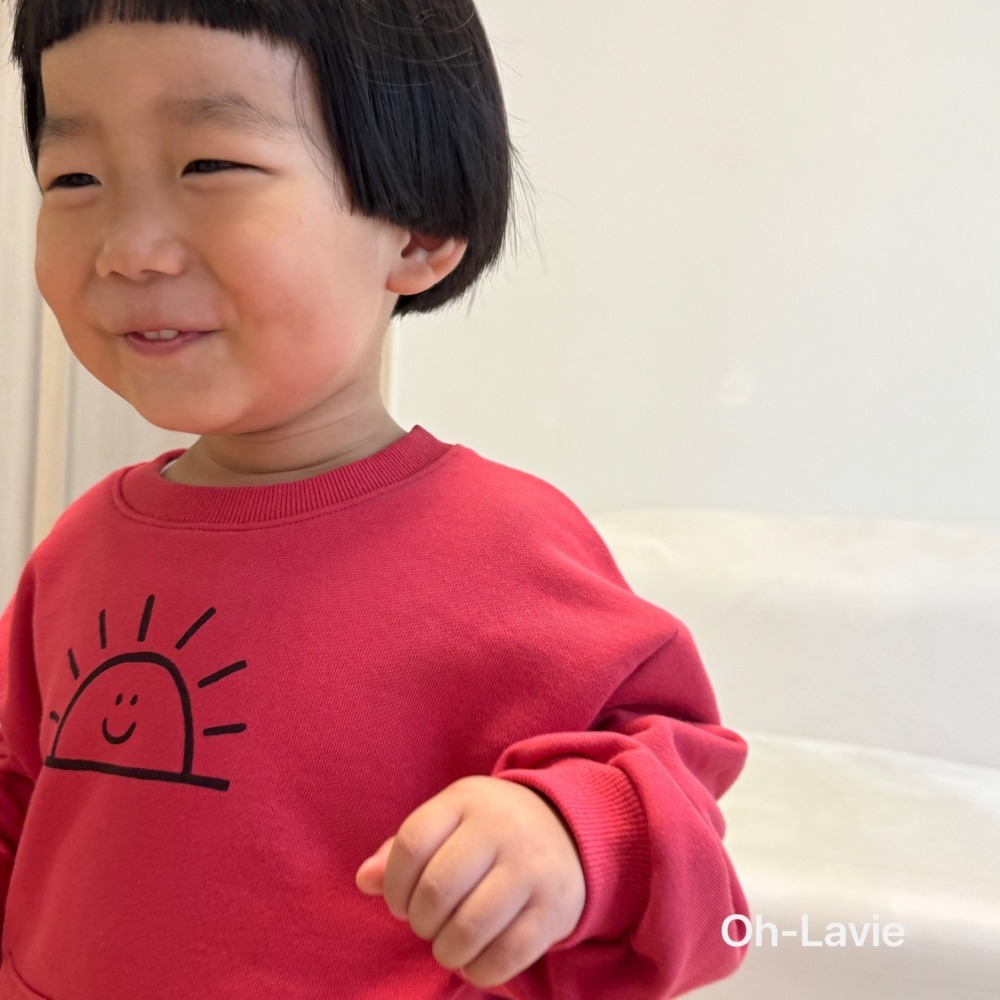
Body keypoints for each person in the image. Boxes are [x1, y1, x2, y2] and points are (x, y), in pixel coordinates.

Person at [0, 1, 750, 997]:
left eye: (210, 165)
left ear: (419, 228)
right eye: (74, 179)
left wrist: (567, 833)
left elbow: (679, 824)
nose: (129, 248)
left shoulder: (506, 546)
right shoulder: (80, 546)